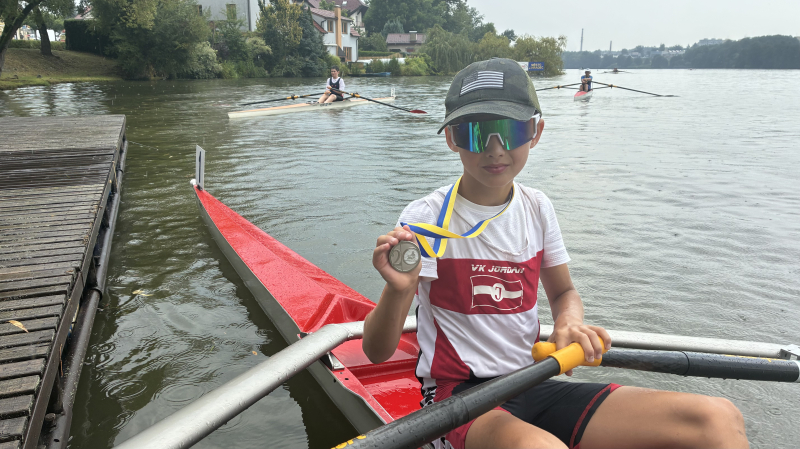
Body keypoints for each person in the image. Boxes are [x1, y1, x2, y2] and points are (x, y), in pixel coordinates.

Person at [362, 58, 748, 449]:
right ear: (451, 139)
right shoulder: (425, 220)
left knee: (716, 418)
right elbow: (377, 352)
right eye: (475, 133)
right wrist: (398, 290)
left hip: (532, 379)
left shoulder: (538, 207)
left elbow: (564, 293)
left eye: (510, 130)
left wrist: (569, 322)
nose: (495, 149)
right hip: (458, 394)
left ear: (536, 132)